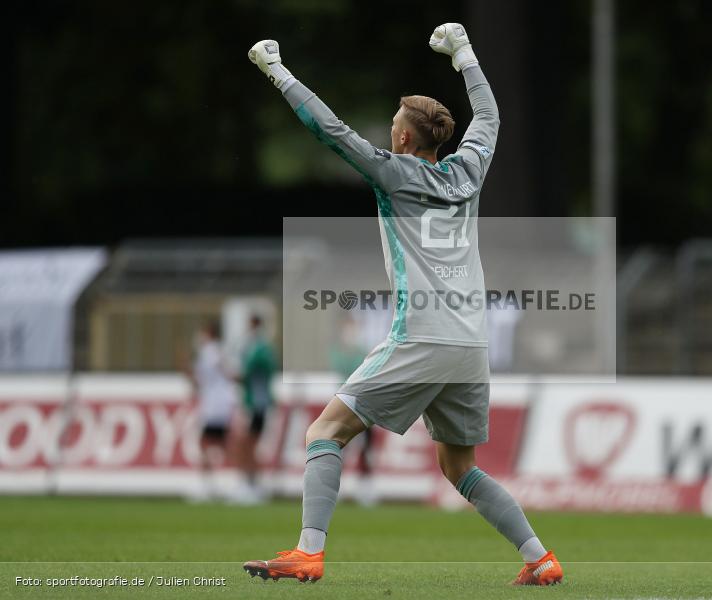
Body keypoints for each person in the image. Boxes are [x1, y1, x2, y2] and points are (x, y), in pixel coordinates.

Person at [243, 23, 563, 586]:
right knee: (459, 466)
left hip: (421, 334)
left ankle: (308, 552)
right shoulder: (469, 169)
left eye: (394, 126)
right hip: (471, 342)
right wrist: (464, 54)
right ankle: (540, 558)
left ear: (406, 141)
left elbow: (330, 130)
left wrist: (277, 71)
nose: (390, 132)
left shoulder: (393, 174)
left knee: (324, 433)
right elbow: (489, 117)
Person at [328, 314, 376, 506]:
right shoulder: (337, 352)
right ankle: (335, 488)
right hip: (344, 406)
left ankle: (366, 488)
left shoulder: (363, 352)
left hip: (363, 406)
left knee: (365, 449)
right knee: (339, 449)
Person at [188, 321, 237, 502]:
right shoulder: (217, 351)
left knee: (206, 444)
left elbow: (206, 377)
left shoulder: (210, 351)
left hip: (215, 407)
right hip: (219, 405)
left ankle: (210, 486)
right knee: (221, 445)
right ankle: (234, 483)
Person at [234, 314, 277, 504]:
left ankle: (252, 485)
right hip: (256, 403)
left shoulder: (258, 349)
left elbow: (247, 374)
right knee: (248, 444)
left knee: (248, 444)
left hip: (257, 404)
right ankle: (251, 484)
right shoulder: (261, 348)